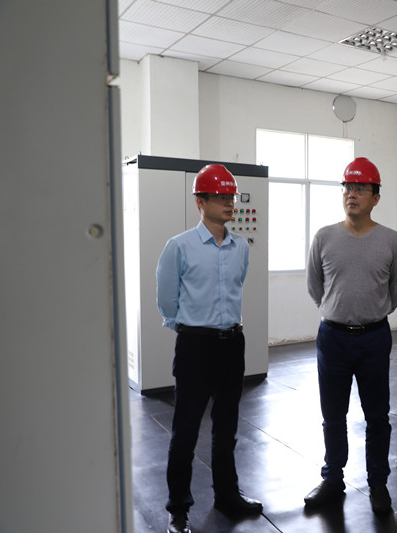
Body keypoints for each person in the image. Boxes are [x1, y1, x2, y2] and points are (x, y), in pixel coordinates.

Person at [156, 164, 263, 533]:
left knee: (227, 426)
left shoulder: (240, 248)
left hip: (232, 344)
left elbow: (237, 286)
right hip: (195, 346)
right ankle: (178, 509)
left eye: (230, 196)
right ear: (200, 202)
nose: (228, 203)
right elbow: (166, 300)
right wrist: (189, 328)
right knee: (185, 430)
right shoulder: (179, 246)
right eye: (219, 197)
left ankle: (227, 495)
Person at [304, 157, 397, 514]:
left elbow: (396, 292)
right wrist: (337, 310)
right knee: (333, 415)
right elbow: (315, 286)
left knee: (377, 416)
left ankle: (378, 482)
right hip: (332, 338)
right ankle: (333, 478)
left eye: (360, 188)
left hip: (374, 338)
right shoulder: (324, 237)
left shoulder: (390, 240)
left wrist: (369, 312)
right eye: (347, 187)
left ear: (375, 197)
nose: (351, 194)